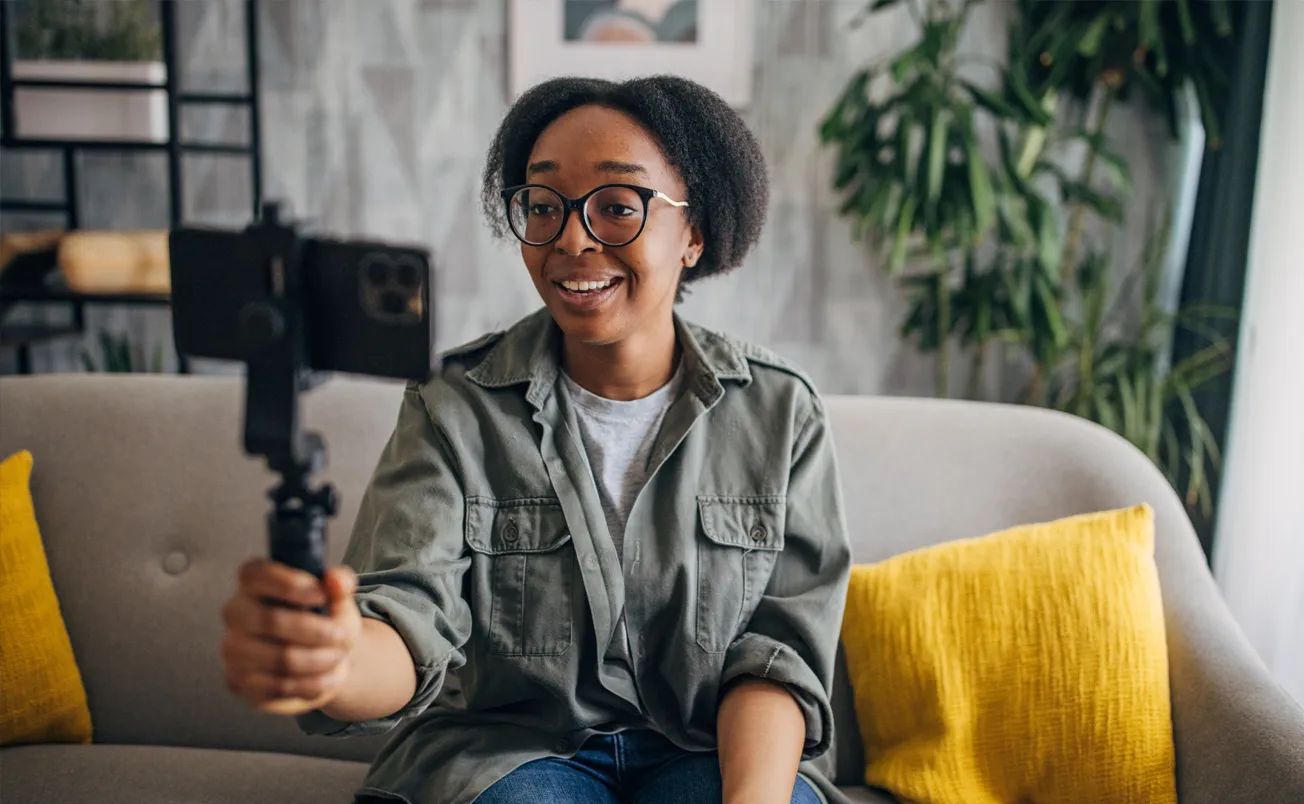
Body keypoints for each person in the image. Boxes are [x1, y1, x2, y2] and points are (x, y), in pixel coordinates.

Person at [218, 75, 853, 804]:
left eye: (618, 207)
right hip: (507, 757)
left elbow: (775, 659)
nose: (572, 239)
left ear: (696, 232)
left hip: (711, 752)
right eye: (544, 207)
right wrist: (331, 660)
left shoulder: (780, 413)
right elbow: (406, 618)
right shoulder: (454, 405)